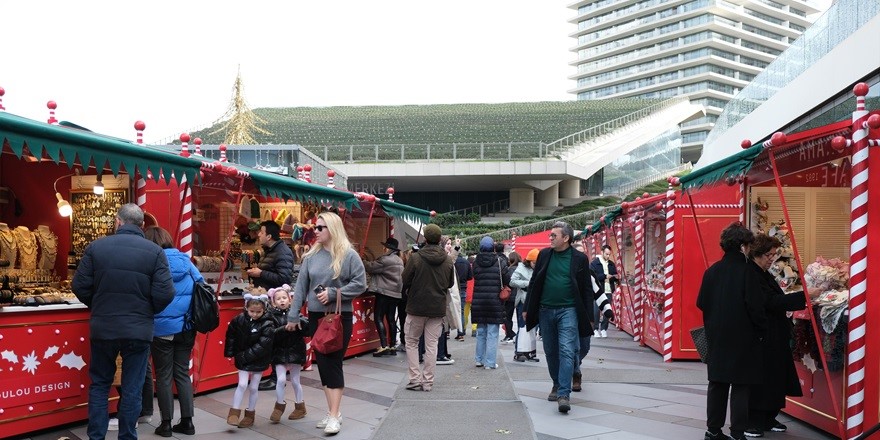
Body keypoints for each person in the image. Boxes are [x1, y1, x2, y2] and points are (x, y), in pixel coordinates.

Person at [72, 203, 175, 440]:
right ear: (141, 225)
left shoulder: (96, 248)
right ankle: (128, 436)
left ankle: (96, 436)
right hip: (138, 329)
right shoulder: (155, 252)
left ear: (118, 222)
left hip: (104, 327)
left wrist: (98, 305)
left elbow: (79, 285)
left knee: (99, 384)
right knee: (132, 387)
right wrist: (146, 310)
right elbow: (165, 293)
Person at [286, 211, 366, 435]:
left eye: (320, 228)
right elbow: (300, 288)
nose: (316, 231)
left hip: (339, 316)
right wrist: (293, 316)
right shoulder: (311, 256)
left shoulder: (348, 255)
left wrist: (334, 293)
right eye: (315, 227)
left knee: (333, 364)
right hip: (316, 317)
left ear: (333, 229)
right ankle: (334, 412)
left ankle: (334, 415)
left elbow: (360, 284)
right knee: (323, 364)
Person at [696, 222, 768, 440]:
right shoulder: (749, 272)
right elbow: (755, 308)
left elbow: (701, 303)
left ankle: (713, 430)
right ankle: (737, 433)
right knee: (740, 387)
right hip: (743, 337)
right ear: (743, 246)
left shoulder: (711, 272)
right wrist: (761, 329)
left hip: (716, 336)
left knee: (717, 384)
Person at [524, 221, 596, 414]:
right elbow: (534, 282)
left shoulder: (579, 258)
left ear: (566, 238)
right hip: (545, 310)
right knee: (550, 351)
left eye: (554, 236)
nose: (550, 238)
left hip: (569, 311)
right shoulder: (544, 255)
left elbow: (586, 290)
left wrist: (589, 316)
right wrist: (528, 307)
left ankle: (564, 393)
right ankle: (556, 384)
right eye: (550, 235)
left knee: (566, 350)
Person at [744, 234, 806, 437]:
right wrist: (804, 296)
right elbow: (770, 302)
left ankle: (769, 417)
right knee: (764, 378)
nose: (772, 258)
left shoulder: (763, 272)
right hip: (763, 334)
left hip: (775, 333)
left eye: (774, 254)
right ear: (758, 254)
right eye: (769, 255)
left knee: (776, 376)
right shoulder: (752, 274)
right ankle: (755, 420)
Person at [144, 226, 202, 437]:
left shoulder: (151, 263)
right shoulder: (186, 261)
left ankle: (166, 424)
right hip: (187, 326)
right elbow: (201, 285)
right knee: (182, 374)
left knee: (164, 376)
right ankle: (188, 422)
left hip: (162, 329)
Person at [401, 224, 455, 390]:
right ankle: (428, 382)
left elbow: (405, 279)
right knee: (432, 345)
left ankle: (415, 379)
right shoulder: (447, 260)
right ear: (440, 239)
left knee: (411, 342)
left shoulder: (416, 258)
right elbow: (450, 283)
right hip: (437, 308)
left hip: (416, 306)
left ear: (425, 238)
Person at [246, 220, 294, 391]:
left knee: (275, 340)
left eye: (261, 232)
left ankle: (275, 377)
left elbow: (284, 279)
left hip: (275, 305)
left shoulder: (282, 252)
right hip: (266, 302)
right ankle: (272, 376)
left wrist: (261, 273)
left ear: (269, 235)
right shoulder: (269, 251)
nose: (258, 234)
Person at [224, 293, 275, 429]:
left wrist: (242, 356)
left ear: (264, 309)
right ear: (246, 308)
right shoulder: (239, 320)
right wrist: (230, 352)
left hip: (258, 359)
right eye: (252, 311)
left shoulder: (268, 324)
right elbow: (231, 335)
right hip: (243, 358)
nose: (255, 314)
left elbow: (263, 345)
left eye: (259, 312)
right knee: (242, 384)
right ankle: (234, 413)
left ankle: (250, 414)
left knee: (253, 387)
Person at [266, 285, 309, 423]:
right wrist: (284, 328)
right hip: (279, 353)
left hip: (295, 351)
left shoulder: (296, 314)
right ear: (273, 302)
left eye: (284, 297)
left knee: (296, 381)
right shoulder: (271, 316)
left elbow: (307, 329)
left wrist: (299, 321)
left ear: (290, 299)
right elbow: (270, 334)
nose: (282, 301)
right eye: (278, 299)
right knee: (281, 380)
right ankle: (279, 406)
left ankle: (300, 406)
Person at [364, 237, 404, 356]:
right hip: (395, 294)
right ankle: (392, 346)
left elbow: (371, 267)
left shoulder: (385, 260)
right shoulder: (399, 260)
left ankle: (383, 346)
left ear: (389, 248)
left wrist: (360, 259)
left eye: (385, 246)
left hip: (384, 293)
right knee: (391, 319)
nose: (383, 248)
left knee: (378, 317)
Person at [471, 236, 507, 370]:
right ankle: (490, 362)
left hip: (479, 301)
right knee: (492, 332)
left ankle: (479, 359)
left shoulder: (475, 262)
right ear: (492, 247)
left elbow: (474, 276)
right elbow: (506, 278)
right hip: (494, 301)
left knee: (481, 331)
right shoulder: (499, 262)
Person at [510, 248, 539, 362]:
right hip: (523, 300)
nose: (536, 265)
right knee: (522, 327)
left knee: (533, 328)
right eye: (534, 263)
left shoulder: (539, 268)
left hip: (535, 300)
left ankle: (530, 352)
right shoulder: (521, 268)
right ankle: (519, 352)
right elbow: (512, 281)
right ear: (529, 261)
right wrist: (528, 284)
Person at [589, 245, 618, 338]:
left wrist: (615, 278)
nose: (608, 256)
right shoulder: (594, 263)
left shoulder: (611, 264)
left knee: (607, 310)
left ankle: (604, 328)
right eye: (606, 254)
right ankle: (595, 329)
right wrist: (605, 276)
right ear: (601, 252)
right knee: (596, 311)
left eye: (609, 254)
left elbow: (614, 274)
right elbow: (592, 276)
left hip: (609, 290)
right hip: (598, 291)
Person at [453, 241, 473, 341]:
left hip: (453, 287)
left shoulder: (453, 261)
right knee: (461, 311)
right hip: (463, 288)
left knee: (449, 310)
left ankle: (447, 332)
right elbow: (470, 276)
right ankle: (461, 331)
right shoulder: (466, 263)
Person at [501, 251, 521, 343]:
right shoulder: (522, 269)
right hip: (520, 295)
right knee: (519, 316)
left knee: (507, 317)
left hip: (510, 296)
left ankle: (510, 334)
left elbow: (507, 282)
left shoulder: (509, 270)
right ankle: (520, 335)